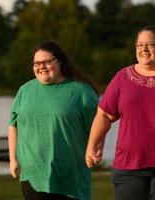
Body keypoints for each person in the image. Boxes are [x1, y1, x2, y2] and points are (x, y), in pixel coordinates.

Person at [8, 40, 98, 200]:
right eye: (36, 63)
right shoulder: (25, 90)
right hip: (32, 174)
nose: (41, 66)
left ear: (61, 61)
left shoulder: (81, 91)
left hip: (69, 175)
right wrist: (13, 159)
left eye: (47, 62)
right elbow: (13, 126)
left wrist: (95, 150)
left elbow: (99, 126)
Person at [85, 24, 155, 200]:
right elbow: (104, 115)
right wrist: (92, 146)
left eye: (151, 44)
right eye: (140, 45)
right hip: (129, 169)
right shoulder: (122, 78)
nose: (144, 49)